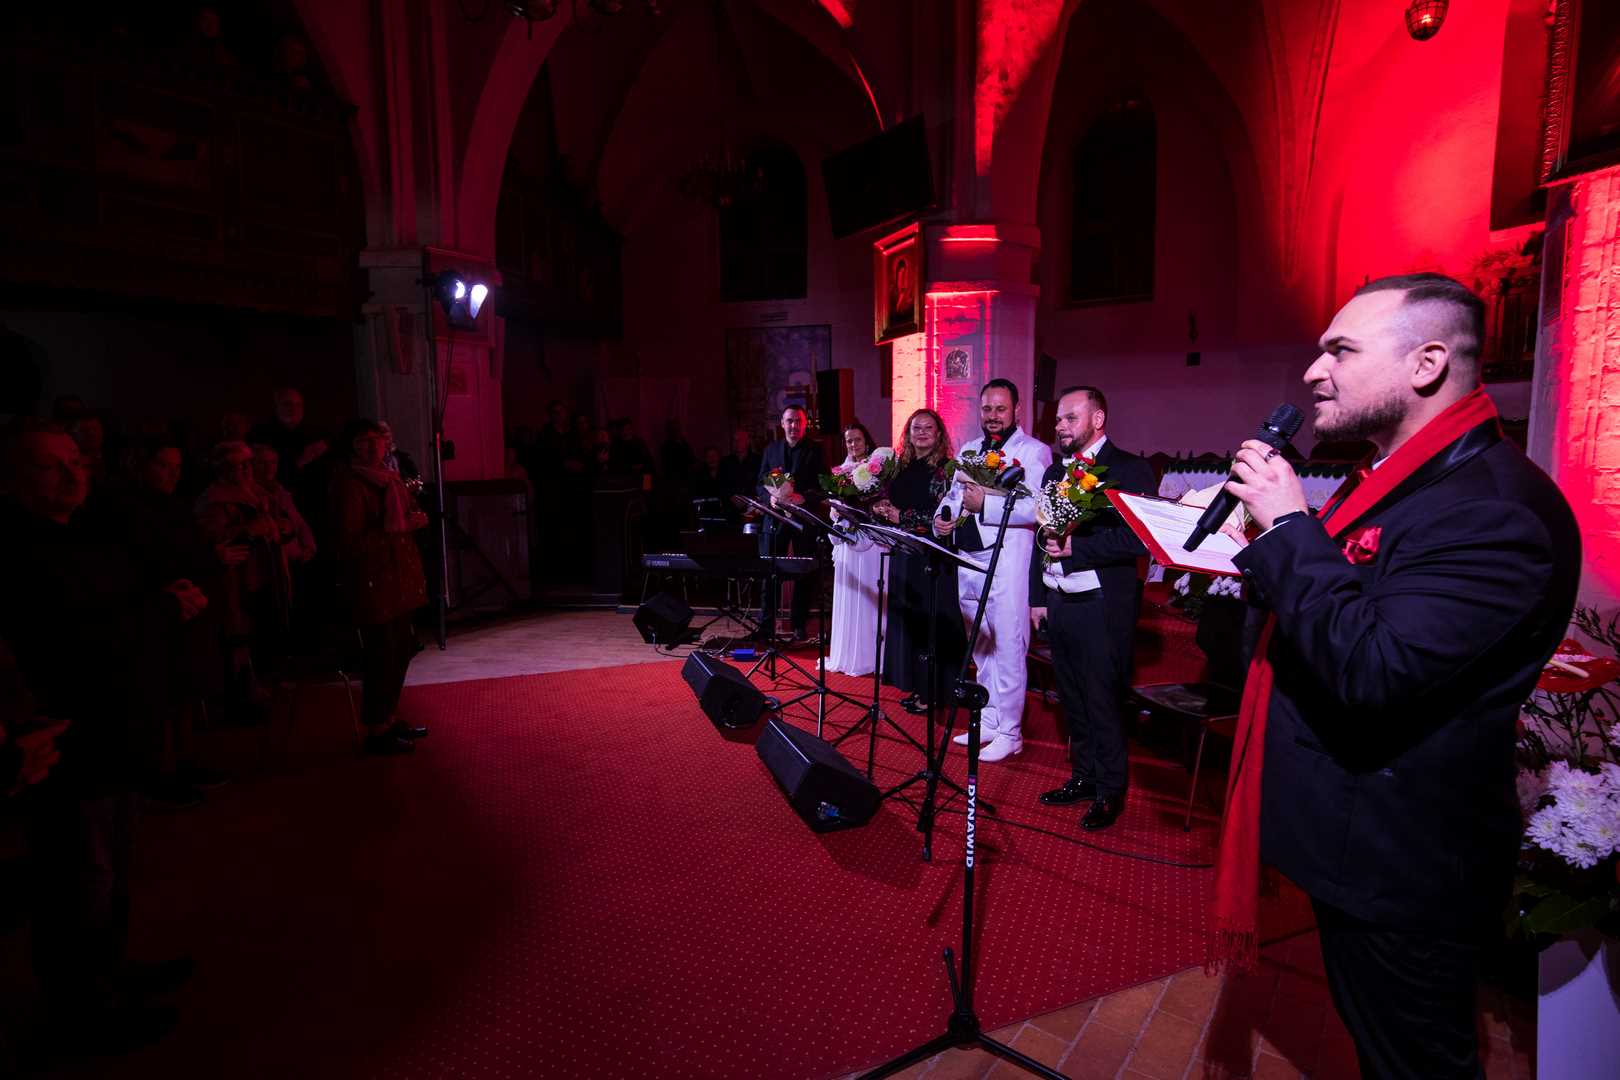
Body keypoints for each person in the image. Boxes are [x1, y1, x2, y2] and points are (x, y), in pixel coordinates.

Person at [1213, 273, 1580, 1078]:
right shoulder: (1406, 478)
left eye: (1341, 350)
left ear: (1427, 364)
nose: (1314, 371)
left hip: (1404, 860)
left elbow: (1374, 668)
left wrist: (1288, 528)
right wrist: (1273, 547)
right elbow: (1341, 606)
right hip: (1356, 839)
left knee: (1418, 1063)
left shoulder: (1492, 509)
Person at [0, 421, 206, 1050]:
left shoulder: (86, 531)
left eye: (76, 460)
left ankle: (109, 970)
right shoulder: (20, 550)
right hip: (70, 736)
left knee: (110, 868)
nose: (73, 473)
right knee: (76, 878)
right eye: (52, 466)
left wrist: (163, 597)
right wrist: (163, 608)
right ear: (14, 480)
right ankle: (81, 1008)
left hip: (115, 725)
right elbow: (77, 638)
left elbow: (120, 600)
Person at [1028, 387, 1156, 830]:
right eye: (1057, 419)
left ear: (1098, 419)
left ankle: (1110, 791)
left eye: (1070, 418)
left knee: (1103, 700)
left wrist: (1076, 549)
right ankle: (1083, 777)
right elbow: (1039, 537)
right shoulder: (1054, 472)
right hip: (1059, 601)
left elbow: (1139, 539)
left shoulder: (1130, 469)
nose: (1060, 426)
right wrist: (1038, 598)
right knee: (1072, 698)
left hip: (1102, 605)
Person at [935, 379, 1052, 762]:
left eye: (1001, 409)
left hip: (1006, 561)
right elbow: (953, 495)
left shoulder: (1033, 452)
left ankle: (1010, 731)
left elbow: (1036, 508)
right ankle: (989, 717)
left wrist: (985, 503)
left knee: (1008, 646)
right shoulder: (969, 449)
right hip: (967, 557)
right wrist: (943, 518)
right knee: (981, 646)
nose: (993, 416)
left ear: (1016, 410)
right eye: (987, 409)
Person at [329, 420, 431, 755]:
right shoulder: (351, 485)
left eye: (377, 439)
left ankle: (388, 717)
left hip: (400, 577)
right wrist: (393, 529)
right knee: (381, 656)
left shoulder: (389, 477)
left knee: (400, 650)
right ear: (352, 446)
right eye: (364, 440)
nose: (373, 446)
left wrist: (413, 521)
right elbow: (349, 542)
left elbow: (405, 518)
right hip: (374, 581)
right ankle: (376, 728)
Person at [875, 409, 964, 711]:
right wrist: (883, 507)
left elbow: (944, 516)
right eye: (916, 428)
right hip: (905, 553)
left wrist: (902, 516)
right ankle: (917, 686)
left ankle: (935, 693)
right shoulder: (901, 467)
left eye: (928, 428)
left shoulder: (946, 470)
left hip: (932, 556)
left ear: (939, 434)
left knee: (931, 625)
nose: (922, 433)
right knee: (911, 622)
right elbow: (895, 503)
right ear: (908, 434)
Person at [753, 406, 825, 642]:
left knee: (803, 573)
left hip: (803, 518)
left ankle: (798, 625)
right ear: (782, 424)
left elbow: (824, 487)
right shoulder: (771, 450)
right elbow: (760, 484)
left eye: (798, 421)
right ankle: (766, 626)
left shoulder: (815, 451)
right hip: (775, 520)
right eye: (789, 421)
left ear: (805, 424)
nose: (794, 426)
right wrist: (770, 499)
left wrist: (804, 497)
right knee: (770, 572)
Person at [825, 421, 882, 676]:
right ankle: (848, 653)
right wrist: (836, 510)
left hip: (869, 542)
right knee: (849, 594)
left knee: (868, 596)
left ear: (866, 441)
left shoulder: (877, 468)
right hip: (847, 538)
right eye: (849, 440)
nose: (853, 444)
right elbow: (833, 509)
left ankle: (871, 656)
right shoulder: (840, 472)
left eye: (857, 439)